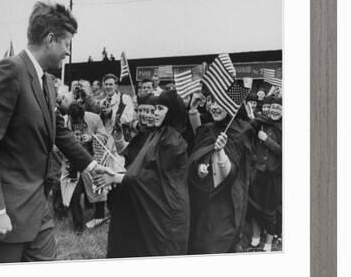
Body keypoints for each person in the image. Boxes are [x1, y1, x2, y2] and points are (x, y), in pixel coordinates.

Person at [0, 1, 112, 263]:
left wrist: (91, 166)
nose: (68, 52)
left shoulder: (46, 81)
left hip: (37, 207)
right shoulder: (10, 70)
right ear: (50, 39)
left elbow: (57, 130)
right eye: (67, 44)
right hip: (7, 211)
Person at [94, 91, 190, 258]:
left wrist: (115, 178)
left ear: (172, 111)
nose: (155, 113)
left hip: (166, 210)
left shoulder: (172, 140)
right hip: (152, 205)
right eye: (155, 109)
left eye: (160, 108)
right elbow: (139, 168)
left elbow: (154, 179)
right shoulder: (158, 134)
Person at [187, 97, 254, 254]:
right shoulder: (207, 128)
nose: (215, 107)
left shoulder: (242, 131)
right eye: (213, 102)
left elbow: (231, 174)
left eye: (221, 103)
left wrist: (220, 151)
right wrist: (199, 168)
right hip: (202, 198)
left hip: (226, 201)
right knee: (198, 243)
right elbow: (198, 151)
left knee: (217, 245)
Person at [60, 102, 110, 234]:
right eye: (73, 120)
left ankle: (99, 217)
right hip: (72, 164)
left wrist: (92, 137)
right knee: (73, 194)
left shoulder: (94, 118)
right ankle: (78, 226)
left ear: (84, 115)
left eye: (79, 120)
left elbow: (105, 137)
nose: (77, 123)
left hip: (91, 160)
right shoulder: (63, 121)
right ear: (69, 117)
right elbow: (56, 143)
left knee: (98, 188)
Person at [247, 96, 283, 251]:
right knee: (254, 207)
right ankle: (255, 236)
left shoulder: (285, 127)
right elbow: (251, 127)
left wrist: (267, 140)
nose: (274, 111)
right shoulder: (262, 122)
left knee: (270, 211)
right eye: (273, 108)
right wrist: (251, 118)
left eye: (278, 108)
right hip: (257, 173)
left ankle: (268, 241)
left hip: (273, 177)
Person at [99, 73, 135, 138]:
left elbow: (129, 118)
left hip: (121, 136)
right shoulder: (102, 102)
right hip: (106, 138)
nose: (108, 87)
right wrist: (102, 115)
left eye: (110, 84)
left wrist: (111, 114)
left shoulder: (125, 98)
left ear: (116, 86)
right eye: (106, 84)